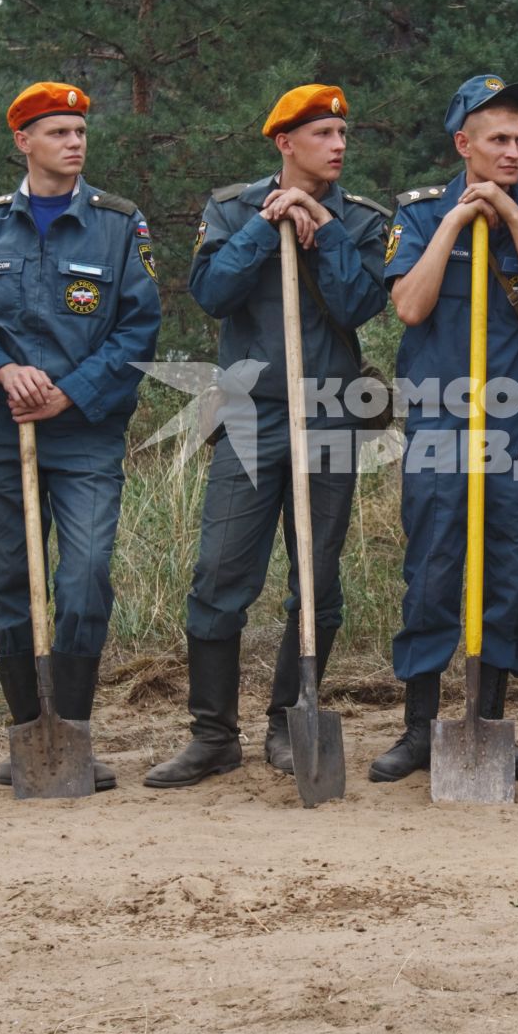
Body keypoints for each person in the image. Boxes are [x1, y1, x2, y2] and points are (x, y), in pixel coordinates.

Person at [145, 85, 390, 786]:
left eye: (343, 132)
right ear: (285, 143)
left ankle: (290, 720)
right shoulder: (228, 208)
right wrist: (265, 226)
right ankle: (212, 734)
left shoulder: (366, 220)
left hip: (331, 412)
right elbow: (212, 292)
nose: (339, 144)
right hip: (249, 416)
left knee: (317, 581)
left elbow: (360, 303)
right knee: (220, 575)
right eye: (322, 134)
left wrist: (324, 229)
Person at [0, 81, 161, 791]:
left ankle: (72, 732)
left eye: (80, 131)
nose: (74, 142)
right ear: (23, 141)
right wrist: (3, 371)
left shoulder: (118, 226)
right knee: (12, 583)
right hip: (1, 437)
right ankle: (28, 738)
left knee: (85, 576)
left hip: (85, 436)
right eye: (58, 131)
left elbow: (137, 329)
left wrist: (71, 391)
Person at [372, 74, 518, 783]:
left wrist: (516, 222)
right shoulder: (420, 214)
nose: (513, 151)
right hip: (440, 413)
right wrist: (458, 223)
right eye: (498, 139)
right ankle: (419, 727)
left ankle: (488, 722)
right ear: (464, 143)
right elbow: (408, 306)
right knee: (432, 567)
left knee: (506, 569)